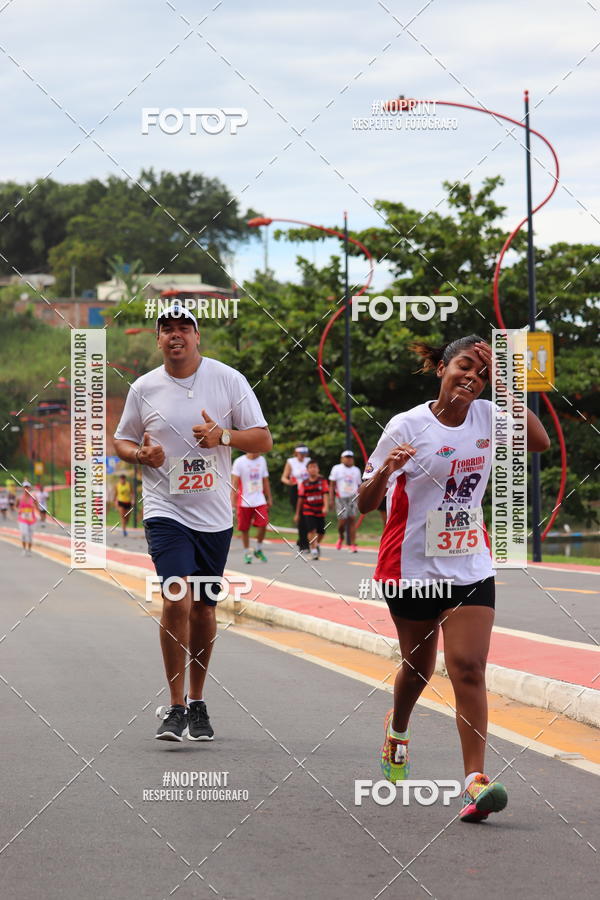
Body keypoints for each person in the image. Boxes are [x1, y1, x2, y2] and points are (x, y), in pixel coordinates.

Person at [358, 335, 550, 823]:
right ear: (442, 368)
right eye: (464, 366)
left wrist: (506, 386)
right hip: (411, 565)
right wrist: (387, 473)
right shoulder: (407, 425)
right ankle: (398, 726)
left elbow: (539, 441)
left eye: (481, 373)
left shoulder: (489, 415)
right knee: (419, 668)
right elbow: (363, 500)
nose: (472, 377)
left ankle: (474, 782)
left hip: (469, 562)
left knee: (467, 666)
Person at [114, 302, 271, 743]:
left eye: (185, 327)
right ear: (158, 339)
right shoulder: (144, 388)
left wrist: (222, 436)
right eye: (167, 329)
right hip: (166, 509)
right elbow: (123, 439)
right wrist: (141, 454)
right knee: (177, 597)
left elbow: (262, 439)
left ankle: (198, 702)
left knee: (204, 607)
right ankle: (176, 705)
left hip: (214, 515)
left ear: (197, 336)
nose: (176, 334)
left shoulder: (228, 379)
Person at [231, 452, 272, 563]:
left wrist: (269, 497)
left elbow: (265, 480)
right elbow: (234, 483)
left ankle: (258, 549)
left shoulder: (262, 460)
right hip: (244, 501)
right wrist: (233, 502)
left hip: (259, 499)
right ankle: (246, 552)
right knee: (244, 528)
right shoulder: (239, 462)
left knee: (263, 524)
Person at [329, 450, 362, 552]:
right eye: (346, 457)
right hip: (341, 497)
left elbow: (359, 485)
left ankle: (352, 544)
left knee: (352, 519)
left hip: (352, 497)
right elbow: (332, 485)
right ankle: (341, 537)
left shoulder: (356, 470)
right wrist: (331, 499)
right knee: (342, 522)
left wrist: (360, 499)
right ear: (342, 459)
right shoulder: (337, 468)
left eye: (350, 457)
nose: (349, 459)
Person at [295, 459, 329, 560]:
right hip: (308, 509)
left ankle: (316, 544)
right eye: (311, 467)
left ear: (318, 469)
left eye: (315, 467)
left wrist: (326, 506)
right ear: (307, 470)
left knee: (321, 531)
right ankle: (313, 549)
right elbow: (300, 499)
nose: (313, 469)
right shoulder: (304, 483)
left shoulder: (322, 481)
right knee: (311, 529)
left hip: (320, 509)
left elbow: (325, 494)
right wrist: (297, 514)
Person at [281, 446, 310, 552]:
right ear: (296, 453)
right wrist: (289, 482)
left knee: (309, 517)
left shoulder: (309, 461)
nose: (302, 455)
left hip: (309, 491)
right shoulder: (291, 462)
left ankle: (302, 540)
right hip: (296, 492)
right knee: (302, 518)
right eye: (300, 453)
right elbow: (284, 477)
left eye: (304, 453)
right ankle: (304, 544)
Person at [17, 481, 37, 556]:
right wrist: (18, 510)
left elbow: (37, 507)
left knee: (30, 536)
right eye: (25, 487)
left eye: (27, 487)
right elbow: (16, 506)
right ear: (23, 488)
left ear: (30, 488)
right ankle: (24, 549)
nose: (26, 488)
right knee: (24, 534)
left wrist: (36, 504)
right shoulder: (19, 498)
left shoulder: (33, 498)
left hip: (32, 519)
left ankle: (29, 550)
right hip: (22, 518)